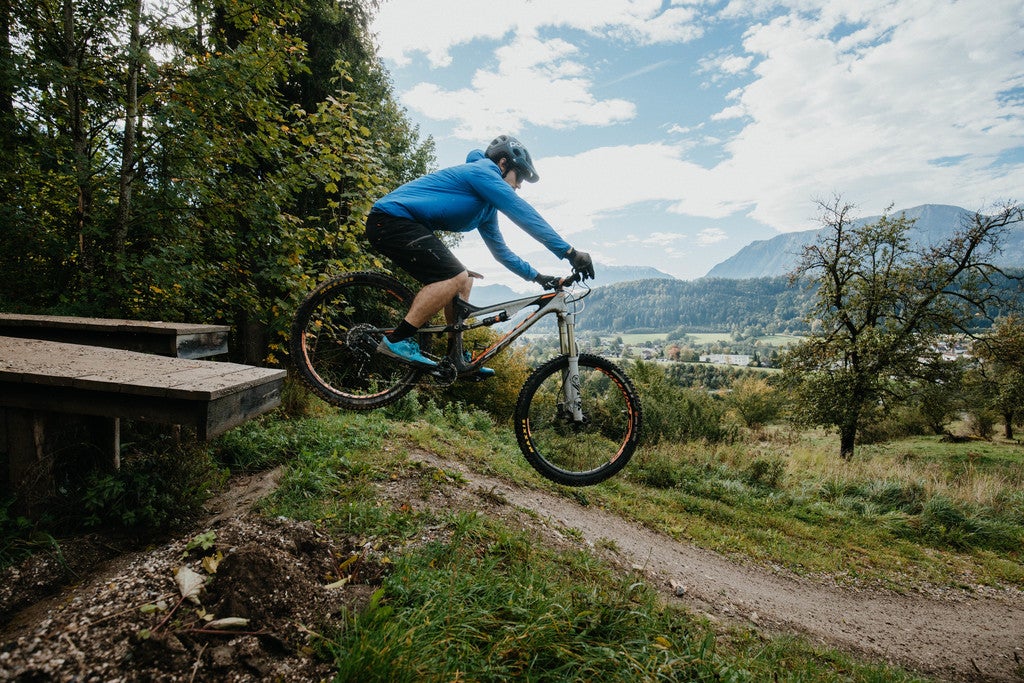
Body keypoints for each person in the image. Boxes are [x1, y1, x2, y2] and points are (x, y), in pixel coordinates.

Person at [364, 135, 595, 374]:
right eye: (520, 176)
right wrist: (569, 252)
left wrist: (538, 277)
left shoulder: (485, 207)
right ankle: (398, 339)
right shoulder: (482, 172)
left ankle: (454, 357)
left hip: (401, 226)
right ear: (503, 164)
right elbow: (522, 212)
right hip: (390, 220)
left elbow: (502, 252)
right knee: (454, 276)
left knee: (465, 280)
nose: (520, 185)